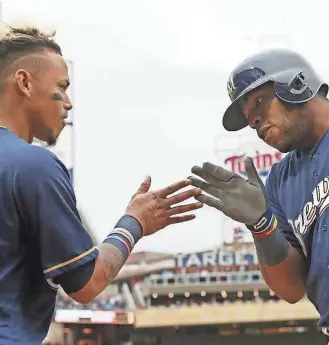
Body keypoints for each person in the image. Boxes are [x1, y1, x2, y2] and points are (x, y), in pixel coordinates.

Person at [189, 49, 329, 344]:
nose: (254, 122)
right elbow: (290, 290)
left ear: (297, 84)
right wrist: (260, 225)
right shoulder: (278, 181)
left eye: (259, 102)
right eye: (249, 118)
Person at [0, 25, 202, 345]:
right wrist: (134, 222)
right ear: (24, 82)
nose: (67, 103)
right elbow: (87, 284)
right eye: (61, 87)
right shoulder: (31, 165)